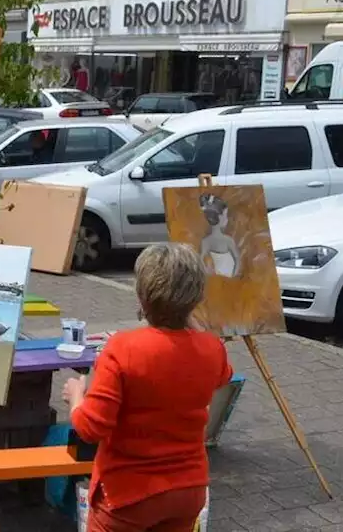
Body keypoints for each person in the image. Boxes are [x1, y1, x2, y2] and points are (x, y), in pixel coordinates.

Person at [62, 243, 232, 532]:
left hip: (130, 493)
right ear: (197, 296)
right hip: (187, 489)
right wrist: (186, 318)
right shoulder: (212, 348)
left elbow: (91, 429)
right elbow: (222, 376)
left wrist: (77, 398)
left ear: (142, 294)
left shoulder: (123, 349)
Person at [198, 193, 240, 278]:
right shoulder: (228, 240)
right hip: (221, 281)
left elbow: (237, 260)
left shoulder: (206, 241)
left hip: (226, 282)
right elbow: (237, 260)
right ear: (220, 217)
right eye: (226, 216)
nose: (227, 219)